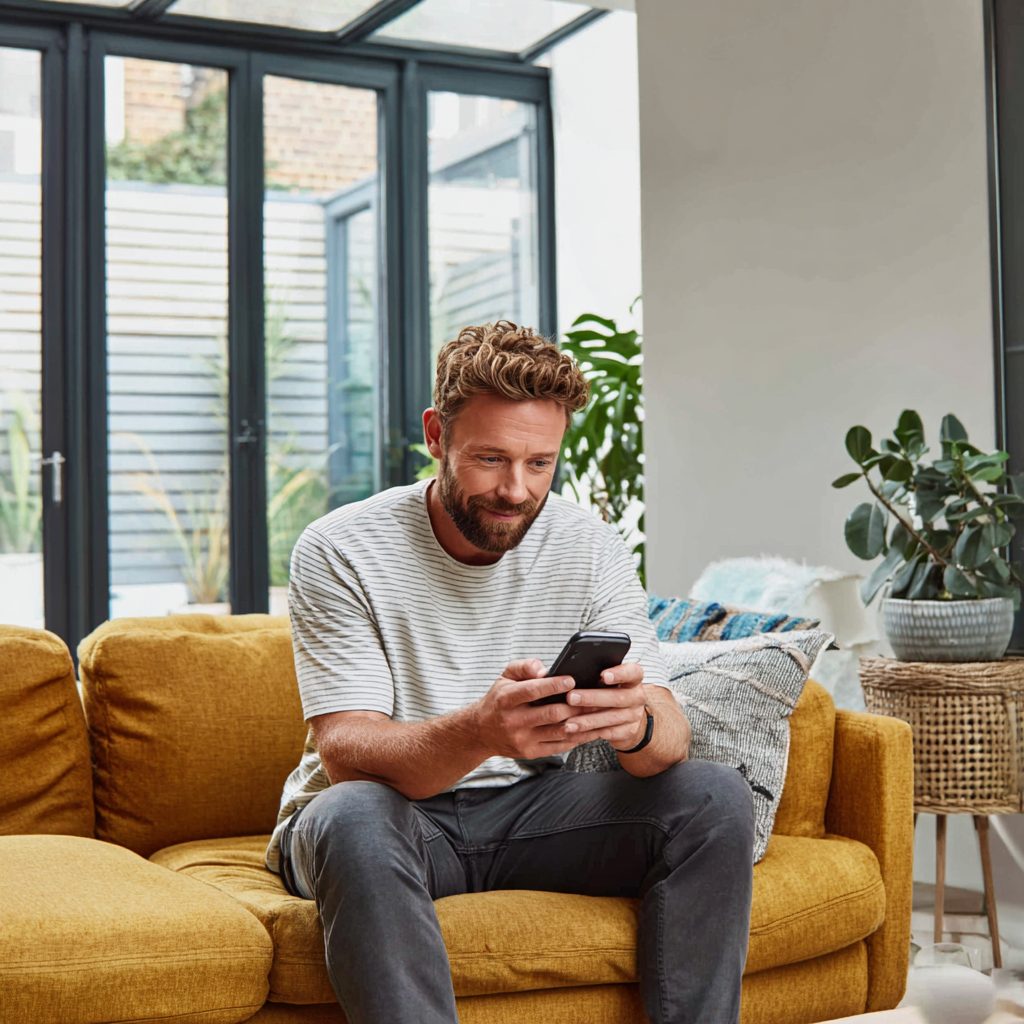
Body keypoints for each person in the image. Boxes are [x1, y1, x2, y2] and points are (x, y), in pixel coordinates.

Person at [266, 320, 755, 1024]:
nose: (516, 490)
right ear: (437, 436)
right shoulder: (341, 547)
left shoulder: (589, 544)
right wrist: (482, 731)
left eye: (539, 464)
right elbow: (346, 751)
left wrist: (636, 721)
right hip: (394, 819)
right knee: (352, 814)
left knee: (712, 795)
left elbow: (669, 735)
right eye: (490, 459)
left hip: (535, 816)